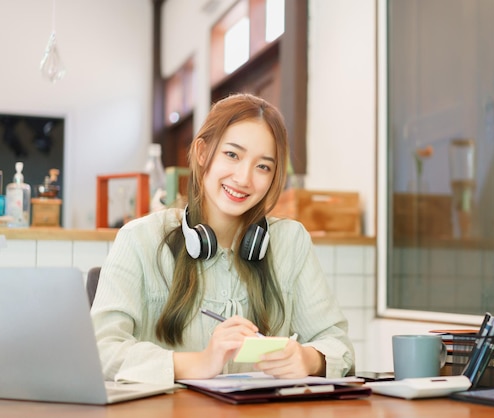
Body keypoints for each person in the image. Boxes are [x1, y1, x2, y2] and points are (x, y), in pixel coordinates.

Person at [91, 93, 355, 385]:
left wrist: (308, 358)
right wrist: (200, 362)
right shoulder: (139, 239)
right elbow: (101, 351)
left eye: (263, 166)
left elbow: (338, 345)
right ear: (203, 153)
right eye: (232, 155)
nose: (244, 178)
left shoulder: (291, 242)